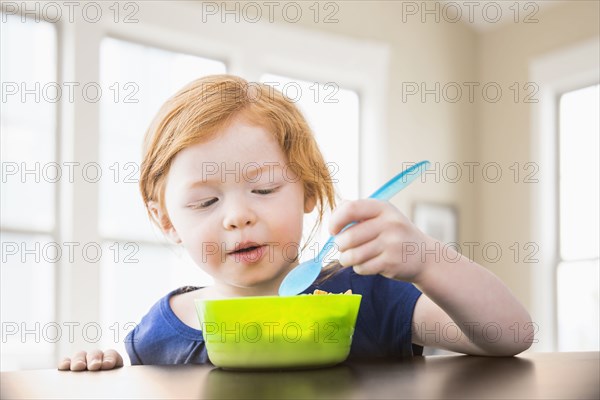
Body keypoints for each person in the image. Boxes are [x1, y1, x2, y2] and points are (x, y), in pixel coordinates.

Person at [58, 75, 533, 371]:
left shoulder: (364, 295)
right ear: (167, 221)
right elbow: (136, 377)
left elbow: (509, 335)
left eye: (263, 190)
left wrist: (427, 260)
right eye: (204, 202)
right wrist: (108, 364)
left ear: (308, 190)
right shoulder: (161, 330)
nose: (238, 215)